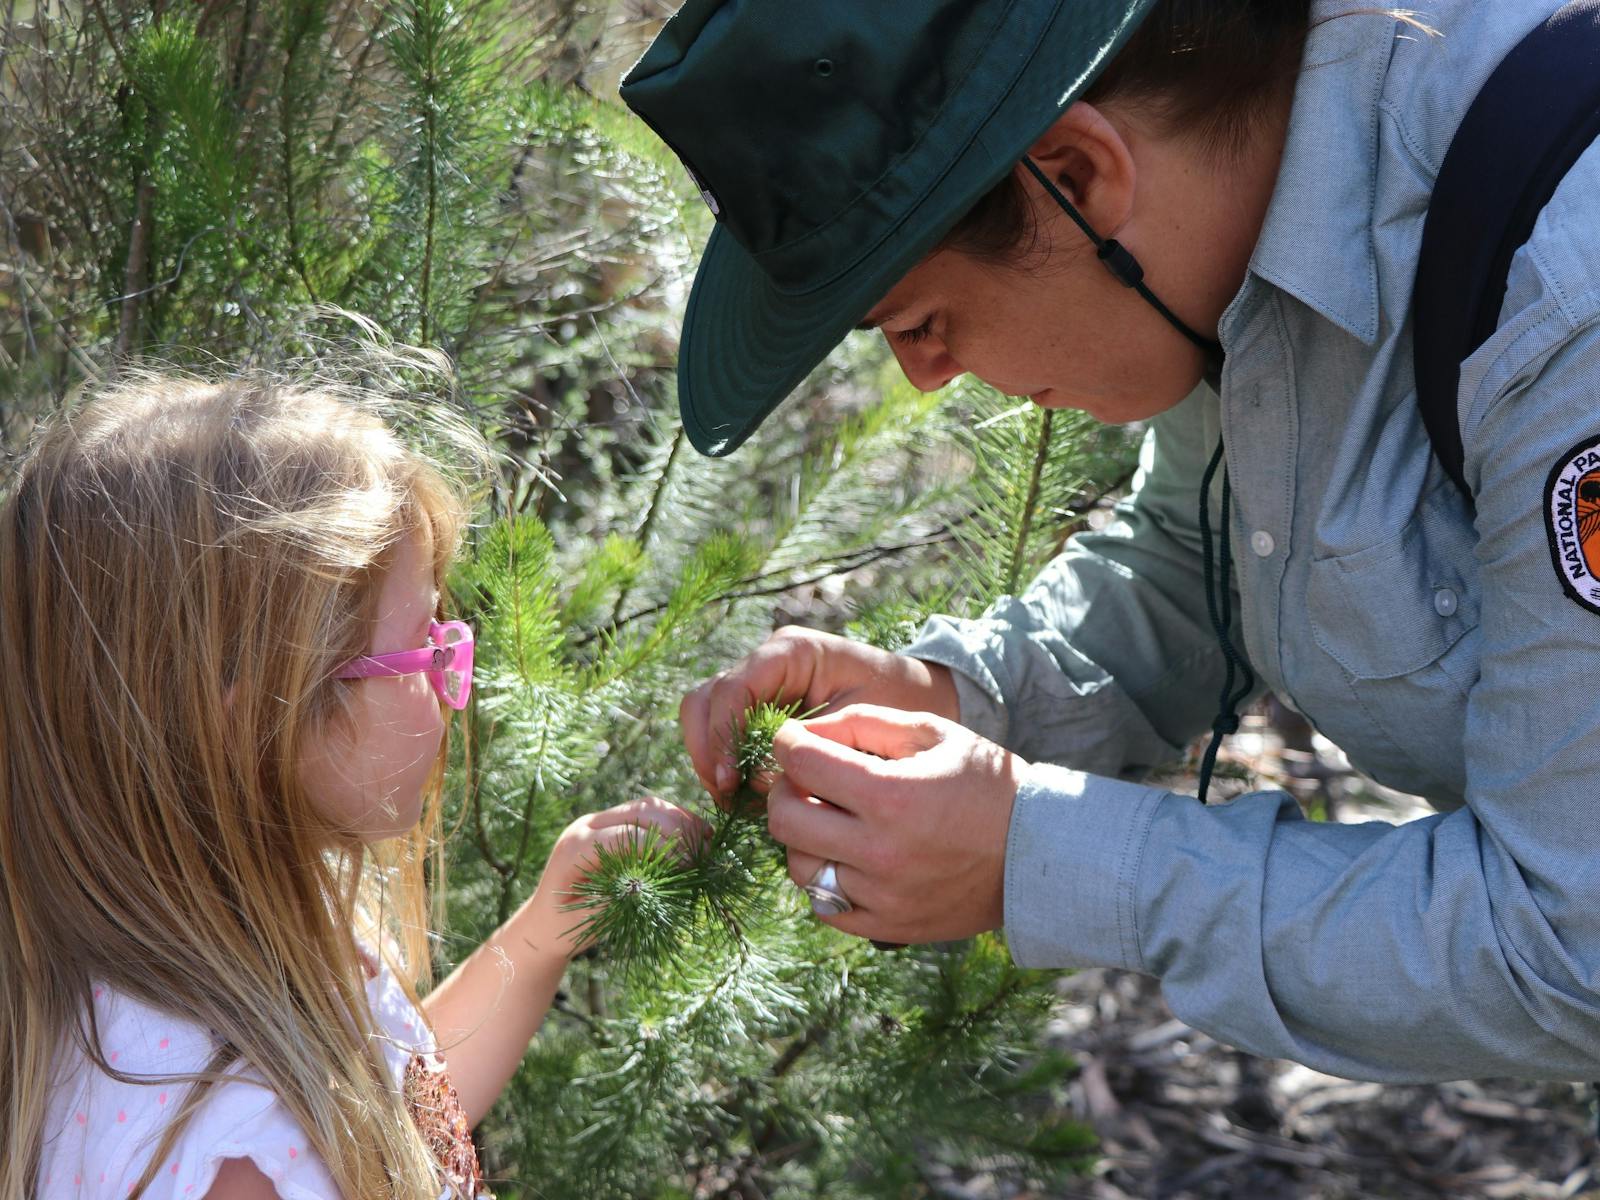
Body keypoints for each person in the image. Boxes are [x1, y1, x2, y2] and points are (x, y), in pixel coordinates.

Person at [627, 0, 1600, 1083]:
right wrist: (962, 702)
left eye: (917, 319)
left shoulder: (1569, 305)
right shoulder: (1231, 222)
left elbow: (1568, 947)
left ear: (1080, 177)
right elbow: (1208, 555)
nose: (925, 375)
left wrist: (1038, 856)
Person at [0, 369, 700, 1199]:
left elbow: (390, 1126)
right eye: (425, 646)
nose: (451, 672)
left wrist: (539, 937)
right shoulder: (236, 1157)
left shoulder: (200, 994)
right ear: (255, 712)